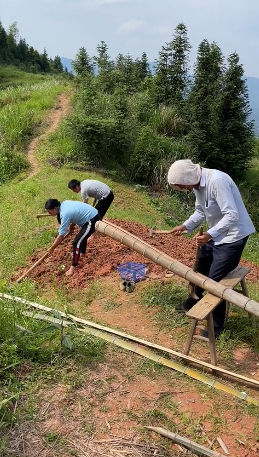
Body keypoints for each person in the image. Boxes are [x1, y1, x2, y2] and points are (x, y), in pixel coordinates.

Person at [167, 159, 255, 337]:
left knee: (215, 280)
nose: (183, 190)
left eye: (181, 186)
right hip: (217, 232)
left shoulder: (217, 181)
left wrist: (209, 235)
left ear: (187, 178)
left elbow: (232, 215)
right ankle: (194, 299)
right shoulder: (197, 186)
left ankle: (216, 325)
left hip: (233, 235)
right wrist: (185, 226)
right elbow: (200, 211)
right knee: (200, 268)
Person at [45, 199, 100, 277]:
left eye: (49, 212)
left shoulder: (65, 213)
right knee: (82, 237)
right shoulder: (64, 203)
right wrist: (71, 226)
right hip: (91, 215)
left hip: (92, 219)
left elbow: (61, 235)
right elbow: (75, 214)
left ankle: (73, 268)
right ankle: (82, 253)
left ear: (55, 208)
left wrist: (52, 248)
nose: (49, 214)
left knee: (76, 242)